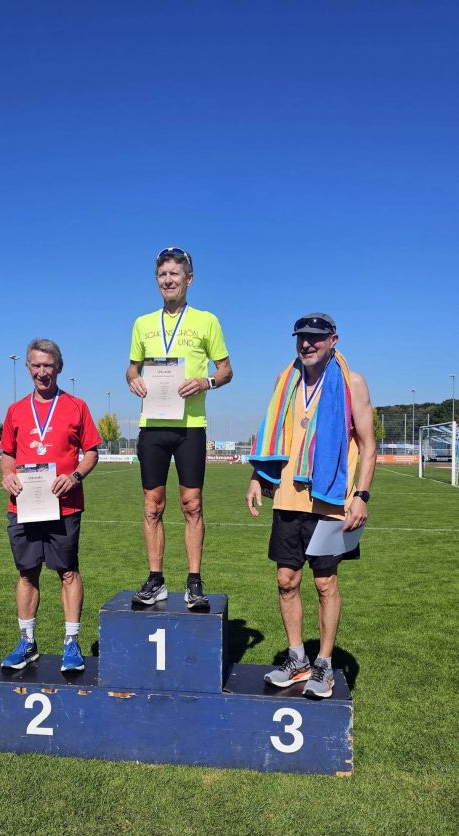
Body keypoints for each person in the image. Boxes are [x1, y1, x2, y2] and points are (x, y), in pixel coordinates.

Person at [245, 313, 376, 698]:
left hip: (331, 501)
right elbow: (274, 435)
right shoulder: (284, 380)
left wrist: (362, 496)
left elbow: (368, 444)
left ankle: (324, 664)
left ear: (333, 340)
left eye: (316, 337)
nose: (307, 343)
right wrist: (257, 477)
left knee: (324, 582)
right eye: (301, 337)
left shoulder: (352, 383)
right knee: (286, 581)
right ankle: (297, 659)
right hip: (288, 498)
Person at [126, 246, 232, 609]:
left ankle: (194, 581)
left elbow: (226, 370)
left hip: (191, 426)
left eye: (174, 274)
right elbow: (131, 368)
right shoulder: (142, 324)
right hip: (153, 425)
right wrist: (133, 379)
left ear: (189, 279)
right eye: (162, 275)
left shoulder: (207, 321)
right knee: (152, 506)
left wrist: (206, 382)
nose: (168, 280)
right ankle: (155, 579)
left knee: (192, 505)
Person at [0, 338, 101, 672]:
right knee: (27, 573)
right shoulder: (15, 410)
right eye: (36, 365)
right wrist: (7, 476)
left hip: (64, 505)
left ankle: (71, 643)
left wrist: (75, 476)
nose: (41, 372)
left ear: (59, 367)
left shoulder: (77, 406)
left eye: (47, 365)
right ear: (28, 367)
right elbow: (7, 454)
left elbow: (91, 452)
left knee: (68, 572)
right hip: (24, 506)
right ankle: (27, 642)